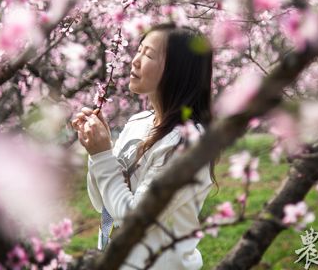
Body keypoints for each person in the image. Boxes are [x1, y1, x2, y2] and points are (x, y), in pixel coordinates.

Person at [71, 23, 216, 270]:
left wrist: (102, 155)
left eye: (148, 54)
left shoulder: (188, 142)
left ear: (176, 70)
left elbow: (134, 220)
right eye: (138, 50)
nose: (135, 61)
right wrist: (96, 150)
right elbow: (102, 203)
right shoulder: (138, 123)